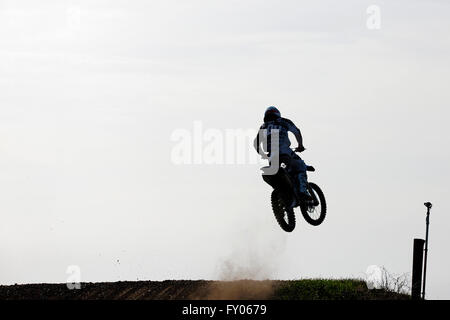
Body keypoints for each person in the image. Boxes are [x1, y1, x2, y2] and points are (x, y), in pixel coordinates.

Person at [253, 106, 310, 208]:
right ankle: (302, 191)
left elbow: (256, 144)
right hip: (285, 153)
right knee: (300, 166)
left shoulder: (263, 127)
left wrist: (263, 154)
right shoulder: (283, 121)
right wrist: (300, 145)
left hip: (272, 158)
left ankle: (287, 195)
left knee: (278, 174)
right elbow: (297, 131)